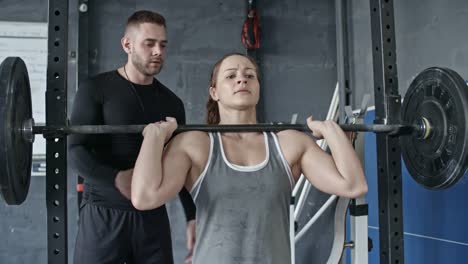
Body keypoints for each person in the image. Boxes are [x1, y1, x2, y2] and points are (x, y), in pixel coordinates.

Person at [131, 53, 368, 264]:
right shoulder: (196, 143)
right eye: (231, 76)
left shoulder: (289, 143)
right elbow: (144, 197)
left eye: (250, 75)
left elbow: (354, 185)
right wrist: (154, 136)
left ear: (258, 87)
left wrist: (332, 132)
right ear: (214, 92)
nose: (242, 80)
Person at [69, 10, 196, 264]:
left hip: (152, 217)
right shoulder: (95, 89)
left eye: (162, 44)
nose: (158, 51)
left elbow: (180, 164)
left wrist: (192, 215)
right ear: (127, 45)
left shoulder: (172, 103)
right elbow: (75, 151)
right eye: (149, 44)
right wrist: (117, 178)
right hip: (104, 214)